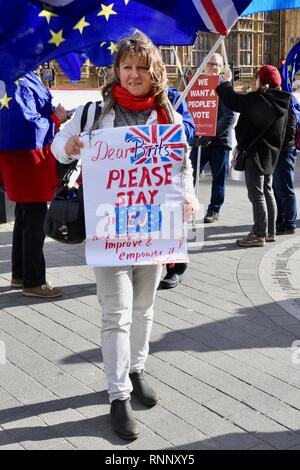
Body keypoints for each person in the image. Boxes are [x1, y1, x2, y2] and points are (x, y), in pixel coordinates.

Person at [51, 31, 198, 440]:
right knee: (116, 313)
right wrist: (71, 145)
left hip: (152, 232)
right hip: (109, 231)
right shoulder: (94, 113)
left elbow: (182, 170)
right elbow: (56, 146)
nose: (134, 75)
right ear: (116, 70)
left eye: (141, 68)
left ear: (155, 72)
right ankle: (117, 396)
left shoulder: (169, 116)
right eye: (127, 67)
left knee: (145, 308)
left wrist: (187, 200)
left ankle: (136, 370)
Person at [0, 71, 69, 297]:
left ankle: (19, 274)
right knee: (35, 219)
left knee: (24, 215)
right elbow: (25, 124)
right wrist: (56, 118)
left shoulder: (21, 72)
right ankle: (34, 281)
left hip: (23, 156)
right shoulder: (17, 75)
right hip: (27, 157)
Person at [216, 65, 291, 247]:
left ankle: (258, 234)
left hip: (256, 154)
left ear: (262, 82)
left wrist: (225, 81)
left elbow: (233, 101)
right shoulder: (281, 102)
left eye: (256, 78)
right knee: (267, 191)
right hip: (271, 154)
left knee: (256, 194)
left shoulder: (258, 100)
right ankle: (270, 231)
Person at [190, 53, 235, 224]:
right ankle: (188, 206)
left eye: (216, 64)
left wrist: (210, 134)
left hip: (219, 142)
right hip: (199, 141)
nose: (213, 67)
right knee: (190, 174)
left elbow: (229, 117)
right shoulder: (197, 87)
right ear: (203, 67)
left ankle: (214, 210)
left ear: (222, 67)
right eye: (209, 64)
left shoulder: (225, 88)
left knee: (218, 178)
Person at [159, 87, 195, 289]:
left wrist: (172, 121)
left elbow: (189, 129)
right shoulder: (116, 96)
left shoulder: (173, 97)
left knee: (172, 221)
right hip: (136, 178)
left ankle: (175, 268)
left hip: (166, 172)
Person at [273, 106, 297, 235]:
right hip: (278, 151)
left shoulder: (286, 104)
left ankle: (289, 223)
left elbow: (290, 131)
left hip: (284, 152)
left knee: (286, 188)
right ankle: (281, 220)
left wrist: (281, 147)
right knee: (277, 188)